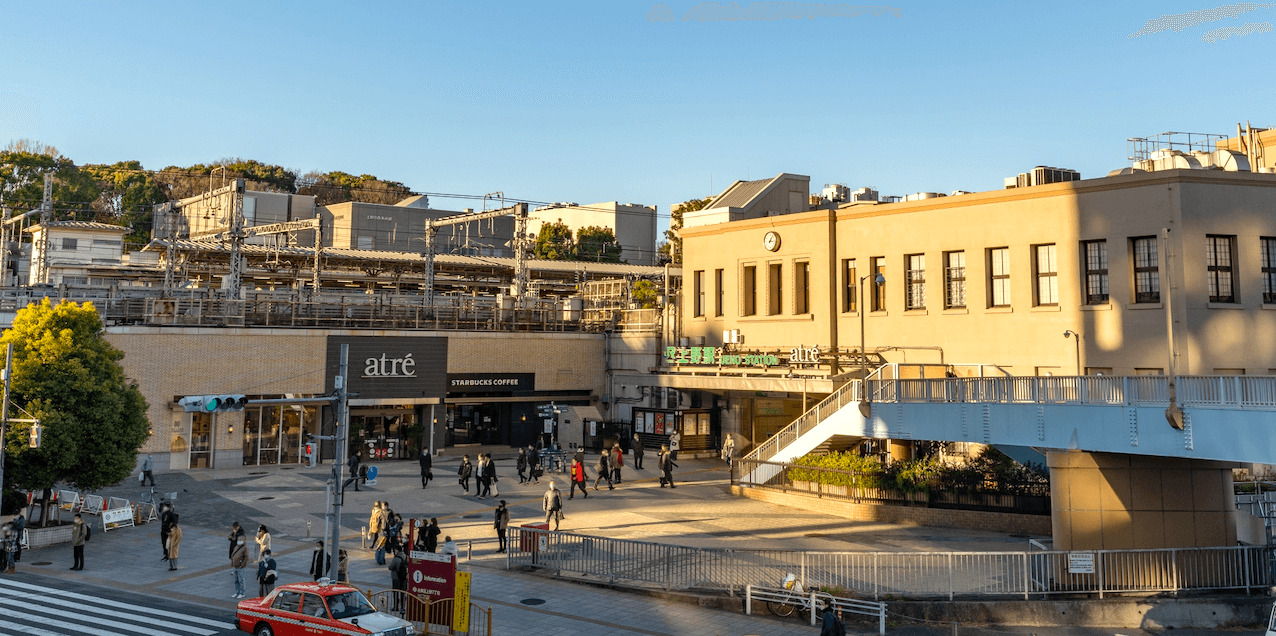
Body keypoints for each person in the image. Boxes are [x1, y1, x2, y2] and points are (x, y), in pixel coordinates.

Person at [230, 533, 249, 598]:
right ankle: (237, 592)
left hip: (240, 567)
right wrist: (232, 563)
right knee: (236, 580)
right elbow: (233, 555)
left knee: (241, 580)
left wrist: (242, 565)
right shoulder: (236, 547)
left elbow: (246, 557)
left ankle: (242, 593)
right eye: (238, 539)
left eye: (240, 540)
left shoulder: (245, 548)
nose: (239, 541)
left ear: (244, 541)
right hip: (235, 566)